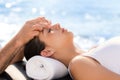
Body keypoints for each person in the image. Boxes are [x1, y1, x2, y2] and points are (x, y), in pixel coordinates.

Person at [24, 17, 120, 80]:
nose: (57, 24)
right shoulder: (79, 65)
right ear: (47, 51)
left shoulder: (94, 51)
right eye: (49, 31)